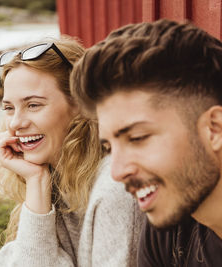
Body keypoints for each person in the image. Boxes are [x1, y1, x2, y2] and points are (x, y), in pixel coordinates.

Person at [71, 19, 222, 266]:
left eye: (137, 138)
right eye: (109, 148)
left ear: (214, 128)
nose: (118, 172)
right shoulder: (168, 225)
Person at [0, 37, 143, 267]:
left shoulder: (115, 185)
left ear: (80, 104)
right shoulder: (54, 180)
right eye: (9, 108)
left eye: (33, 105)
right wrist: (37, 181)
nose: (15, 123)